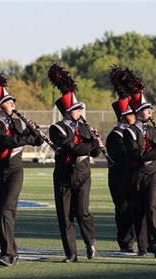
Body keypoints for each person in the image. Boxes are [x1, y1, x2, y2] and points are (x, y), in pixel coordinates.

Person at [0, 58, 43, 266]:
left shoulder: (19, 122)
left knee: (6, 210)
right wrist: (27, 137)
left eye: (13, 101)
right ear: (0, 106)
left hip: (14, 171)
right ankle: (10, 250)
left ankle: (9, 253)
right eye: (9, 101)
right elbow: (6, 142)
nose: (13, 104)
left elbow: (37, 141)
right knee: (0, 214)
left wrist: (34, 131)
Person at [48, 64, 102, 263]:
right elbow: (70, 146)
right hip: (63, 174)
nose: (80, 111)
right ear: (68, 111)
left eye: (80, 108)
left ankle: (90, 242)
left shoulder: (86, 128)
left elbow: (94, 151)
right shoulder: (57, 128)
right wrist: (90, 145)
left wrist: (96, 142)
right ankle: (71, 253)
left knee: (82, 211)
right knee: (65, 216)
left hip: (83, 172)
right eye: (77, 109)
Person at [123, 70, 156, 258]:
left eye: (151, 109)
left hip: (152, 173)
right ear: (139, 113)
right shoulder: (130, 132)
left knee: (151, 208)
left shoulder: (154, 130)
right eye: (148, 110)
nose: (151, 112)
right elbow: (137, 154)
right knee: (138, 210)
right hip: (136, 174)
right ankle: (142, 246)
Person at [106, 66, 136, 252]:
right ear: (124, 117)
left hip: (133, 176)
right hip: (120, 179)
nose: (135, 117)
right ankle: (126, 244)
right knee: (123, 211)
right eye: (132, 114)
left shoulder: (135, 132)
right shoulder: (115, 136)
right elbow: (126, 155)